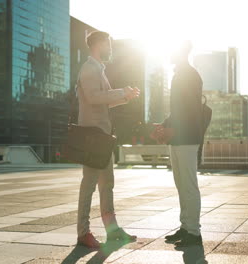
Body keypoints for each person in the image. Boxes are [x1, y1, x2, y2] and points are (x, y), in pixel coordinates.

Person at [76, 31, 139, 248]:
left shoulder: (99, 70)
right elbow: (93, 98)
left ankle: (112, 231)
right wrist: (121, 91)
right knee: (89, 185)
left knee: (107, 184)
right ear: (98, 44)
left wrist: (124, 96)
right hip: (93, 136)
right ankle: (83, 233)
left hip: (102, 135)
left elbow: (103, 101)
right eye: (108, 43)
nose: (110, 47)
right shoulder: (89, 68)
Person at [153, 41, 204, 247]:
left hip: (188, 138)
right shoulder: (179, 74)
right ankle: (186, 227)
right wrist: (164, 125)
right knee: (181, 185)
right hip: (177, 138)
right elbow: (177, 110)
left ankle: (194, 232)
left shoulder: (190, 75)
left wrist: (173, 129)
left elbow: (192, 110)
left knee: (189, 185)